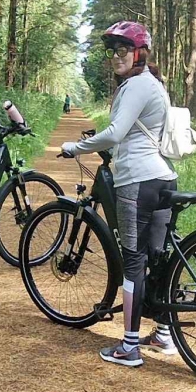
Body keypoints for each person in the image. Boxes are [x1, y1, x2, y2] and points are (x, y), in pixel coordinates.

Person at [60, 21, 178, 366]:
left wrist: (75, 147)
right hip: (164, 178)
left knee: (134, 260)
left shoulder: (136, 85)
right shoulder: (154, 84)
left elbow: (115, 133)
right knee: (157, 256)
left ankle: (129, 346)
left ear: (140, 53)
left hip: (137, 182)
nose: (116, 56)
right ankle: (164, 334)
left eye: (123, 49)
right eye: (112, 51)